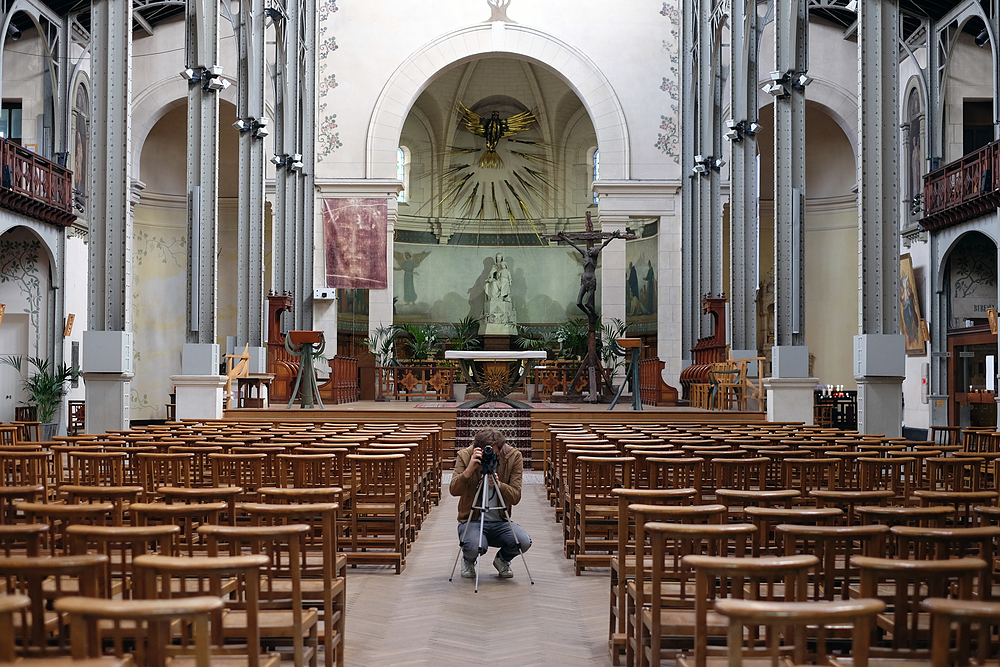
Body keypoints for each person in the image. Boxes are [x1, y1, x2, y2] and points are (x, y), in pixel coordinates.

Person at [450, 427, 531, 579]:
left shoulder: (513, 457)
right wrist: (469, 470)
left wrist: (499, 485)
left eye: (493, 452)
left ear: (500, 450)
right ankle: (468, 560)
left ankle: (502, 560)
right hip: (472, 520)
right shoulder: (465, 455)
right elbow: (454, 490)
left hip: (500, 521)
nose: (489, 455)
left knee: (523, 542)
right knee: (475, 546)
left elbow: (515, 497)